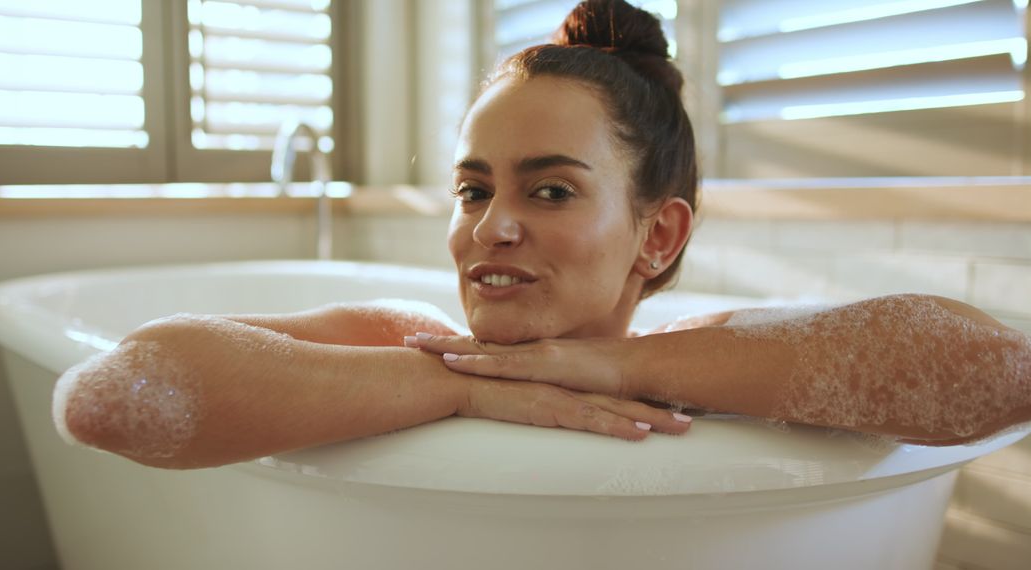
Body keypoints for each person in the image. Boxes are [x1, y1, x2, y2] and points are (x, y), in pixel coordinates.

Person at [54, 0, 1031, 469]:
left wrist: (615, 368)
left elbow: (998, 374)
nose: (493, 227)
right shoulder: (407, 341)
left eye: (552, 191)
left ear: (658, 237)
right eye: (472, 189)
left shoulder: (700, 355)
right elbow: (112, 398)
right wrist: (461, 386)